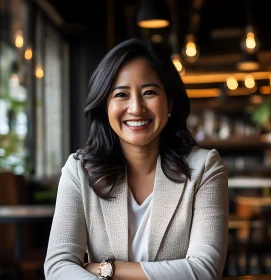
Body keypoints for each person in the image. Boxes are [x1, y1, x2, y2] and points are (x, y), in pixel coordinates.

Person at [44, 38, 229, 280]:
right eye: (121, 94)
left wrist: (106, 269)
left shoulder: (204, 168)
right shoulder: (79, 171)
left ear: (169, 102)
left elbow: (204, 271)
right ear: (105, 106)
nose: (136, 107)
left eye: (149, 92)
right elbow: (58, 267)